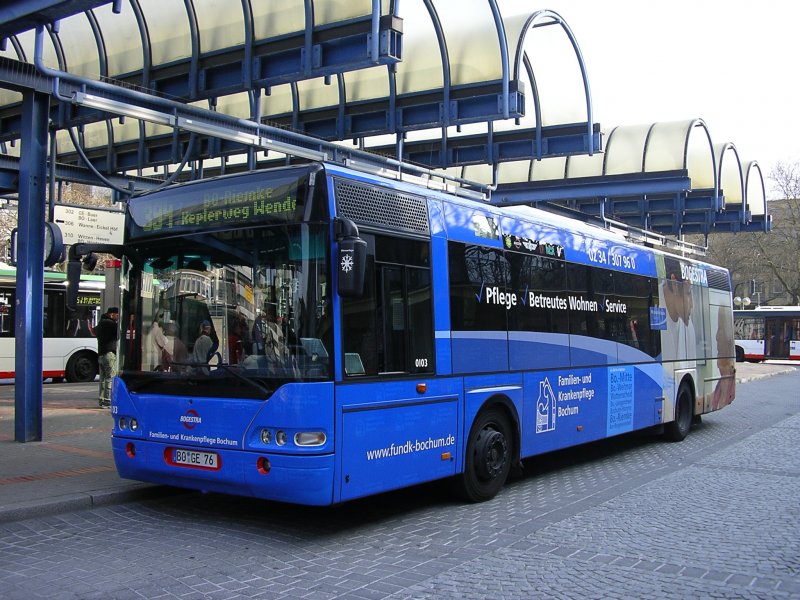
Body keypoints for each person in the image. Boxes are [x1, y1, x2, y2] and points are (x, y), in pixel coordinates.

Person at [95, 306, 119, 408]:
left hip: (101, 354)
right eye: (117, 315)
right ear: (111, 314)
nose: (118, 317)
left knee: (103, 379)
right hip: (109, 354)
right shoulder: (111, 324)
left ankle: (102, 400)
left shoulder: (101, 323)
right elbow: (118, 335)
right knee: (110, 378)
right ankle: (108, 401)